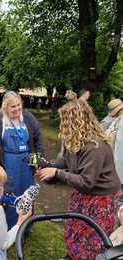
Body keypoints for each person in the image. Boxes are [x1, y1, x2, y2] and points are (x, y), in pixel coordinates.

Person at [36, 91, 120, 260]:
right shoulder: (75, 140)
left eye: (65, 121)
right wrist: (48, 164)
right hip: (84, 194)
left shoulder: (95, 146)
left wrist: (57, 173)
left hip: (100, 198)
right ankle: (74, 256)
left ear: (76, 122)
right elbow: (66, 160)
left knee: (92, 238)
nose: (62, 125)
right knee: (74, 228)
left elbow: (86, 182)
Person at [0, 91, 44, 229]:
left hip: (26, 164)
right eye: (13, 106)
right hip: (8, 164)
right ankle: (10, 227)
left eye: (19, 105)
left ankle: (26, 226)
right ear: (5, 107)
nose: (17, 109)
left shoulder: (28, 117)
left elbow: (38, 138)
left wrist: (37, 161)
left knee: (27, 194)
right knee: (10, 193)